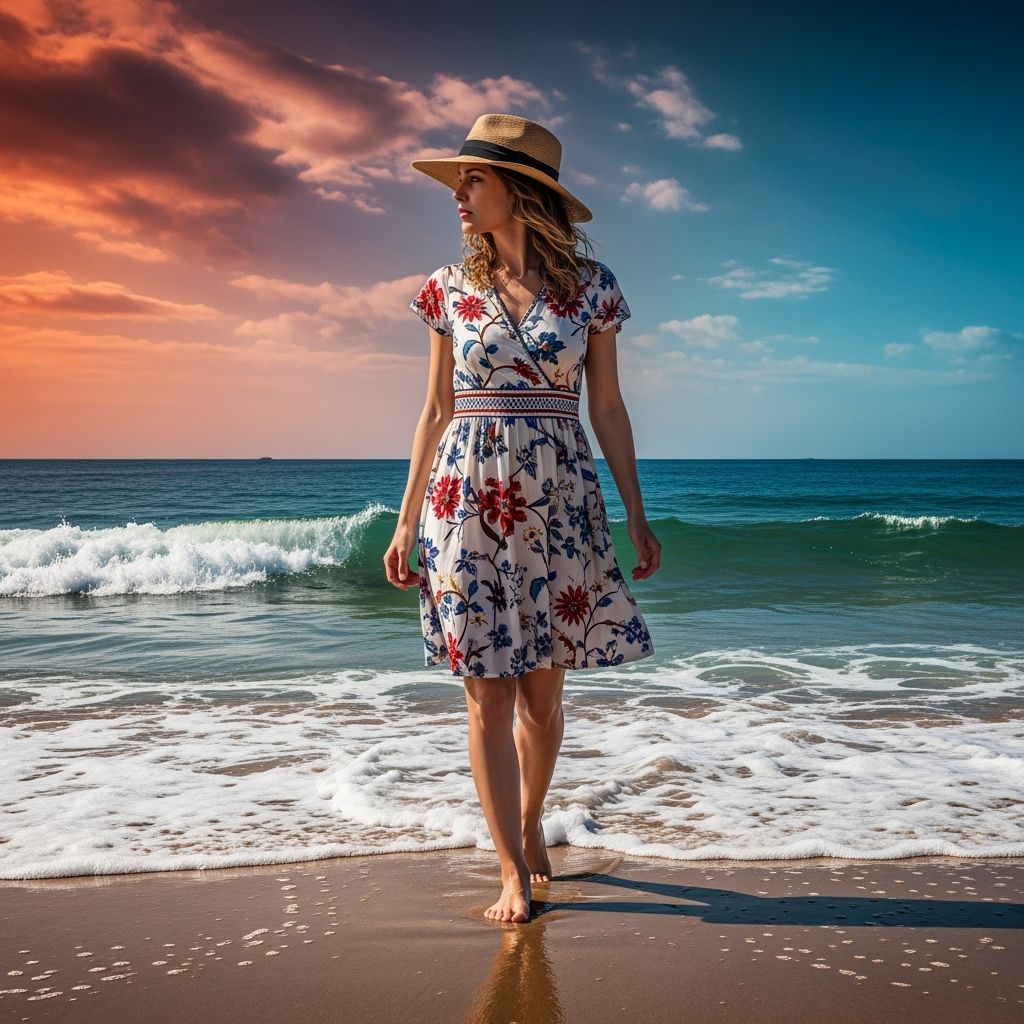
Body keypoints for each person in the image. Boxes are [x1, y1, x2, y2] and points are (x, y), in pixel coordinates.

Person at [383, 113, 660, 924]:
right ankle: (511, 867)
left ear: (521, 190)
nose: (459, 196)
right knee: (486, 701)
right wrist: (404, 525)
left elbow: (606, 406)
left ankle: (532, 821)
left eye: (473, 180)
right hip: (463, 501)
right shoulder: (448, 288)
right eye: (460, 181)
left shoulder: (592, 287)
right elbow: (434, 410)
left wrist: (637, 515)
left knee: (542, 701)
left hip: (561, 502)